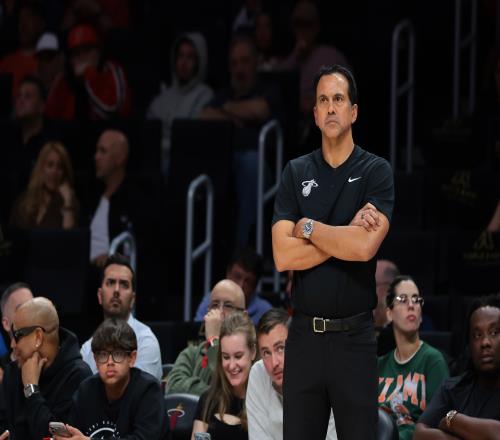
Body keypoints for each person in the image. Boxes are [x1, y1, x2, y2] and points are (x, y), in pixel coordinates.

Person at [272, 64, 394, 439]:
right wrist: (344, 234)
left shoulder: (376, 171)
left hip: (355, 339)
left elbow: (364, 247)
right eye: (322, 100)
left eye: (338, 99)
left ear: (353, 111)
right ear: (314, 113)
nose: (330, 107)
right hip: (304, 338)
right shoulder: (295, 172)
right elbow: (283, 256)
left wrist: (308, 227)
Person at [201, 34, 282, 245]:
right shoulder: (224, 92)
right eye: (234, 63)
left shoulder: (268, 89)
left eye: (245, 61)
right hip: (224, 163)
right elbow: (205, 114)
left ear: (256, 62)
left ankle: (243, 250)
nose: (240, 69)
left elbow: (260, 109)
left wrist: (227, 109)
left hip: (259, 165)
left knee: (250, 164)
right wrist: (237, 116)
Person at [53, 318, 167, 440]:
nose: (110, 362)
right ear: (96, 361)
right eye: (103, 355)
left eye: (118, 354)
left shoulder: (148, 391)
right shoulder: (86, 390)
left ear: (132, 358)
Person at [1, 297, 91, 439]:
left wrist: (31, 389)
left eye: (17, 335)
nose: (12, 344)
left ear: (38, 336)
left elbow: (56, 436)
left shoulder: (79, 376)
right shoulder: (12, 372)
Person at [414, 294, 500, 439]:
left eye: (494, 333)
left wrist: (453, 420)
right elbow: (420, 434)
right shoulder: (452, 388)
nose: (485, 342)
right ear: (469, 345)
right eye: (477, 335)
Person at [246, 308, 337, 440]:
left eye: (280, 348)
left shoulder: (324, 374)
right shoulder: (258, 374)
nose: (274, 363)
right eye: (266, 353)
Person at [378, 275, 449, 440]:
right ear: (389, 313)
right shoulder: (379, 365)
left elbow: (440, 423)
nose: (411, 305)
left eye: (416, 300)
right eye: (403, 300)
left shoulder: (433, 361)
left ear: (421, 314)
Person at [80, 254, 162, 381]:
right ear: (100, 295)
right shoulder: (87, 349)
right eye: (111, 282)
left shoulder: (145, 342)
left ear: (132, 299)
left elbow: (139, 392)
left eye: (124, 284)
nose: (117, 290)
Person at [147, 32, 214, 175]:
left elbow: (188, 140)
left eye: (190, 57)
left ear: (199, 61)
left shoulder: (205, 95)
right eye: (180, 56)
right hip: (155, 161)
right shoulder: (160, 100)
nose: (183, 62)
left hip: (185, 165)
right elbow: (149, 137)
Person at [166, 279, 246, 395]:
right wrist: (213, 392)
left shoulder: (248, 356)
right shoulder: (191, 354)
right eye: (214, 305)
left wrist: (214, 339)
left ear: (243, 316)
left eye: (228, 306)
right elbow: (173, 388)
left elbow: (229, 391)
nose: (219, 312)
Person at [44, 24, 131, 120]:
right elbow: (49, 118)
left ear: (98, 52)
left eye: (86, 50)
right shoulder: (63, 80)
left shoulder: (112, 70)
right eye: (76, 52)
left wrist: (89, 73)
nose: (82, 57)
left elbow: (111, 112)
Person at [191, 311, 256, 439]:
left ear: (253, 352)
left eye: (238, 356)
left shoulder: (264, 399)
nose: (231, 365)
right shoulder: (209, 399)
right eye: (226, 357)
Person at [88, 129, 143, 267]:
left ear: (120, 158)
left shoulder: (133, 199)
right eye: (96, 151)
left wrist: (110, 259)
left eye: (103, 151)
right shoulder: (91, 194)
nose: (96, 157)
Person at [9, 141, 79, 230]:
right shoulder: (23, 202)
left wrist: (68, 203)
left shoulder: (71, 203)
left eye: (60, 167)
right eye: (50, 165)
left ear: (64, 173)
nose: (54, 171)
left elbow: (69, 237)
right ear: (41, 168)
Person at [195, 247, 272, 325]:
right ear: (228, 273)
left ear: (255, 285)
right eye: (237, 277)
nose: (240, 286)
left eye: (248, 281)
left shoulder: (265, 312)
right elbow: (197, 331)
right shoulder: (210, 302)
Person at [0, 283, 34, 361]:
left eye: (33, 306)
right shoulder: (2, 368)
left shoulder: (58, 354)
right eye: (22, 308)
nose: (31, 312)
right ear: (6, 324)